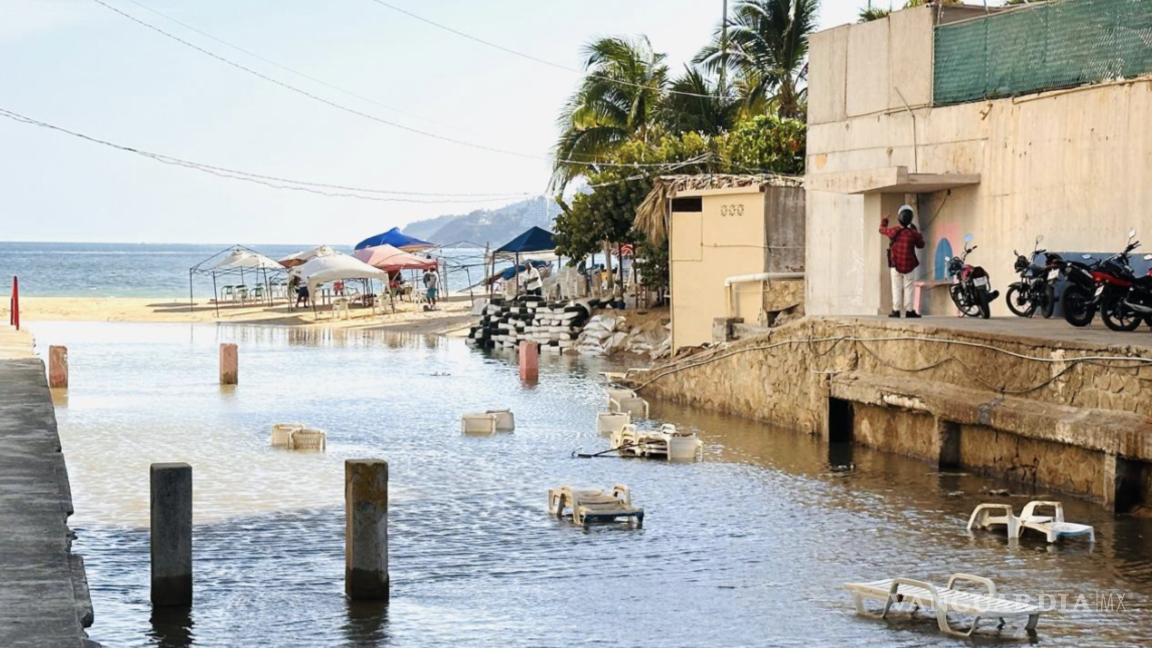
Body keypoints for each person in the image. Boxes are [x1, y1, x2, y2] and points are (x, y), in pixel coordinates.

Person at [880, 204, 925, 318]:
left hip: (895, 265)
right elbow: (921, 245)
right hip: (909, 266)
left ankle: (896, 310)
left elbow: (882, 229)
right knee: (909, 287)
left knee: (896, 287)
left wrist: (885, 220)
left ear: (899, 218)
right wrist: (916, 231)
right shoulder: (913, 233)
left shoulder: (894, 231)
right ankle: (909, 310)